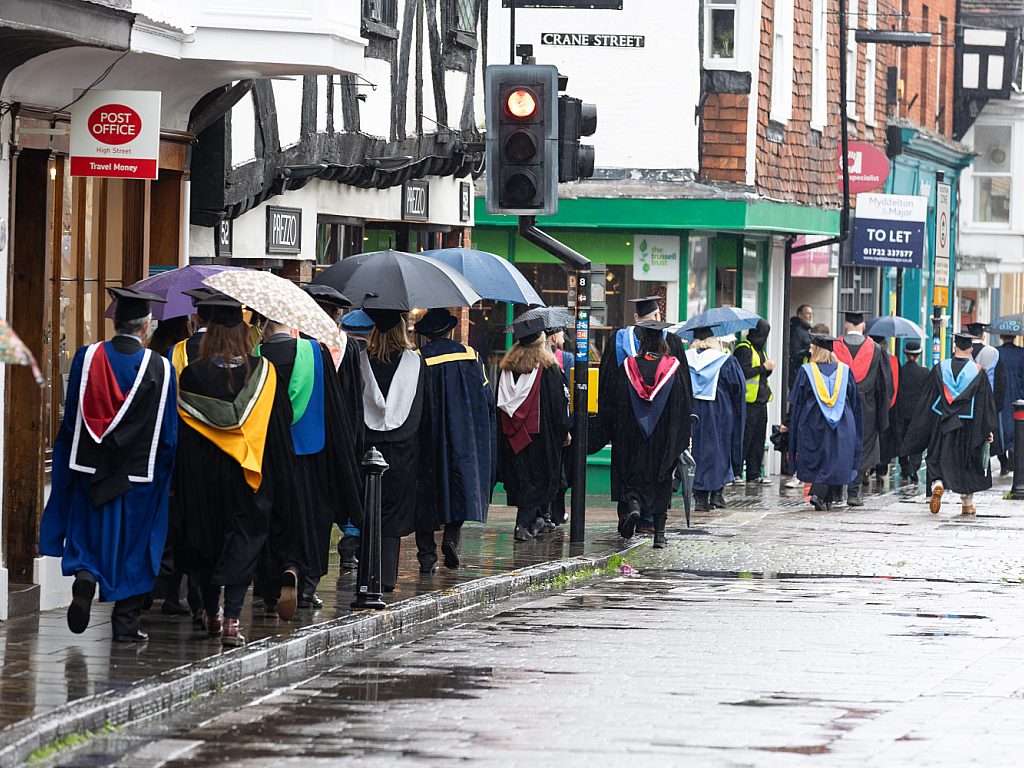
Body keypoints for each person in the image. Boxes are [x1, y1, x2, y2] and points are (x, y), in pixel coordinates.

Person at [40, 288, 177, 642]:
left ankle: (86, 578)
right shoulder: (161, 369)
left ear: (115, 322)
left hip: (90, 469)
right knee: (133, 546)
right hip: (137, 478)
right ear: (146, 327)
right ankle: (126, 624)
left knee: (89, 533)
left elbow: (71, 421)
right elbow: (167, 436)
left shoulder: (86, 359)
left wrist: (69, 467)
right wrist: (166, 476)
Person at [174, 296, 296, 646]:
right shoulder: (262, 373)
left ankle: (211, 612)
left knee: (206, 542)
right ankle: (231, 620)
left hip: (203, 476)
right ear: (244, 335)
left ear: (209, 333)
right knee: (245, 540)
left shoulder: (192, 375)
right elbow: (278, 432)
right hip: (249, 473)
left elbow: (182, 432)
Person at [252, 310, 363, 615]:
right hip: (311, 451)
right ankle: (305, 583)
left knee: (271, 517)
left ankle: (269, 586)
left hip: (266, 455)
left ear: (264, 329)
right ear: (293, 326)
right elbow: (335, 409)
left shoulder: (256, 356)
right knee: (312, 517)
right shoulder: (315, 353)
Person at [598, 296, 691, 530]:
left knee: (627, 466)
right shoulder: (673, 342)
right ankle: (651, 520)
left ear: (635, 319)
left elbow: (606, 383)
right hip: (661, 425)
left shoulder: (618, 342)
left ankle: (628, 510)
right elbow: (684, 388)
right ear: (659, 317)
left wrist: (609, 419)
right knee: (658, 468)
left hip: (626, 423)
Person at [413, 309, 495, 570]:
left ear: (426, 336)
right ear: (450, 331)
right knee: (460, 485)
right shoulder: (471, 357)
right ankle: (451, 537)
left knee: (425, 491)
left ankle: (427, 555)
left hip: (428, 434)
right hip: (464, 433)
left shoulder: (419, 359)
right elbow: (487, 398)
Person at [360, 308, 433, 590]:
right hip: (404, 448)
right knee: (392, 512)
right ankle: (386, 575)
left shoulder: (361, 361)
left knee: (369, 508)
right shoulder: (416, 363)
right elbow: (425, 410)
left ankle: (367, 576)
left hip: (368, 447)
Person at [901, 332, 998, 516]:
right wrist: (987, 430)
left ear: (954, 348)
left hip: (942, 422)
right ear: (970, 349)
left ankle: (938, 483)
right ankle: (967, 504)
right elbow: (984, 405)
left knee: (938, 454)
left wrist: (925, 425)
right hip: (967, 426)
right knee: (967, 461)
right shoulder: (977, 372)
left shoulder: (940, 369)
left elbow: (927, 400)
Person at [496, 316, 570, 541]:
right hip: (539, 437)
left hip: (513, 435)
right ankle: (522, 525)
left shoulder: (507, 368)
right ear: (541, 340)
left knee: (522, 479)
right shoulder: (547, 368)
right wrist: (563, 431)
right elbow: (558, 405)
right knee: (538, 481)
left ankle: (534, 521)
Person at [787, 334, 862, 510]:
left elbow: (797, 400)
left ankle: (820, 495)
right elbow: (854, 400)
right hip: (843, 423)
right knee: (835, 457)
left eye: (812, 348)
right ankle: (824, 497)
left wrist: (790, 423)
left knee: (820, 457)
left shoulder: (806, 371)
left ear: (819, 350)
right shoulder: (845, 371)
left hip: (814, 422)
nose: (809, 350)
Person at [833, 311, 892, 505]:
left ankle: (834, 492)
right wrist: (882, 416)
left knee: (838, 446)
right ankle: (853, 493)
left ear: (845, 325)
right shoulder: (876, 349)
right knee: (861, 448)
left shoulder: (834, 347)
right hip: (867, 408)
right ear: (863, 326)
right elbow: (885, 386)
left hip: (838, 404)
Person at [686, 326, 746, 512]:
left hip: (693, 413)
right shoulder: (726, 360)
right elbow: (738, 389)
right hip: (720, 413)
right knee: (719, 450)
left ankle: (700, 495)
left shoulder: (685, 360)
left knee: (697, 450)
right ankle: (717, 493)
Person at [335, 309, 374, 569]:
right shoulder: (373, 359)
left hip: (340, 432)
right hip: (368, 434)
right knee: (361, 490)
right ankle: (351, 543)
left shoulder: (335, 355)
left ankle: (348, 539)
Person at [733, 319, 774, 484]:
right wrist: (764, 368)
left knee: (758, 440)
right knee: (744, 439)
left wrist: (767, 369)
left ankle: (754, 473)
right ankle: (736, 472)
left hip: (761, 401)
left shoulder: (760, 350)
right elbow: (742, 373)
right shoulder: (744, 349)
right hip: (747, 403)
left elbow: (761, 374)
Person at [967, 321, 1008, 467]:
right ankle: (985, 464)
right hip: (988, 402)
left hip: (967, 403)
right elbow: (1000, 381)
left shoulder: (963, 353)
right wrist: (997, 405)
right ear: (983, 336)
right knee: (988, 435)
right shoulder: (993, 353)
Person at [894, 340, 930, 482]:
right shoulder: (924, 372)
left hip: (902, 412)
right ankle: (913, 469)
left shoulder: (900, 371)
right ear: (918, 355)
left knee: (902, 440)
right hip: (918, 413)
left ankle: (903, 466)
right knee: (916, 441)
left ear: (905, 354)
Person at [870, 333, 900, 479]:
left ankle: (868, 468)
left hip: (871, 405)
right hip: (890, 407)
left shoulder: (869, 359)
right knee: (885, 439)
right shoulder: (893, 361)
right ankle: (881, 470)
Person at [997, 332, 1024, 471]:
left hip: (1001, 396)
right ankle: (1013, 450)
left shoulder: (996, 352)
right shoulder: (1021, 353)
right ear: (1015, 337)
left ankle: (1003, 460)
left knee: (1000, 427)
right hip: (1017, 395)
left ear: (1001, 337)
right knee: (1017, 427)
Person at [787, 304, 814, 389]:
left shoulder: (807, 331)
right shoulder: (797, 331)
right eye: (807, 313)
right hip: (798, 373)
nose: (810, 316)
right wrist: (809, 353)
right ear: (800, 315)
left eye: (811, 314)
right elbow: (795, 352)